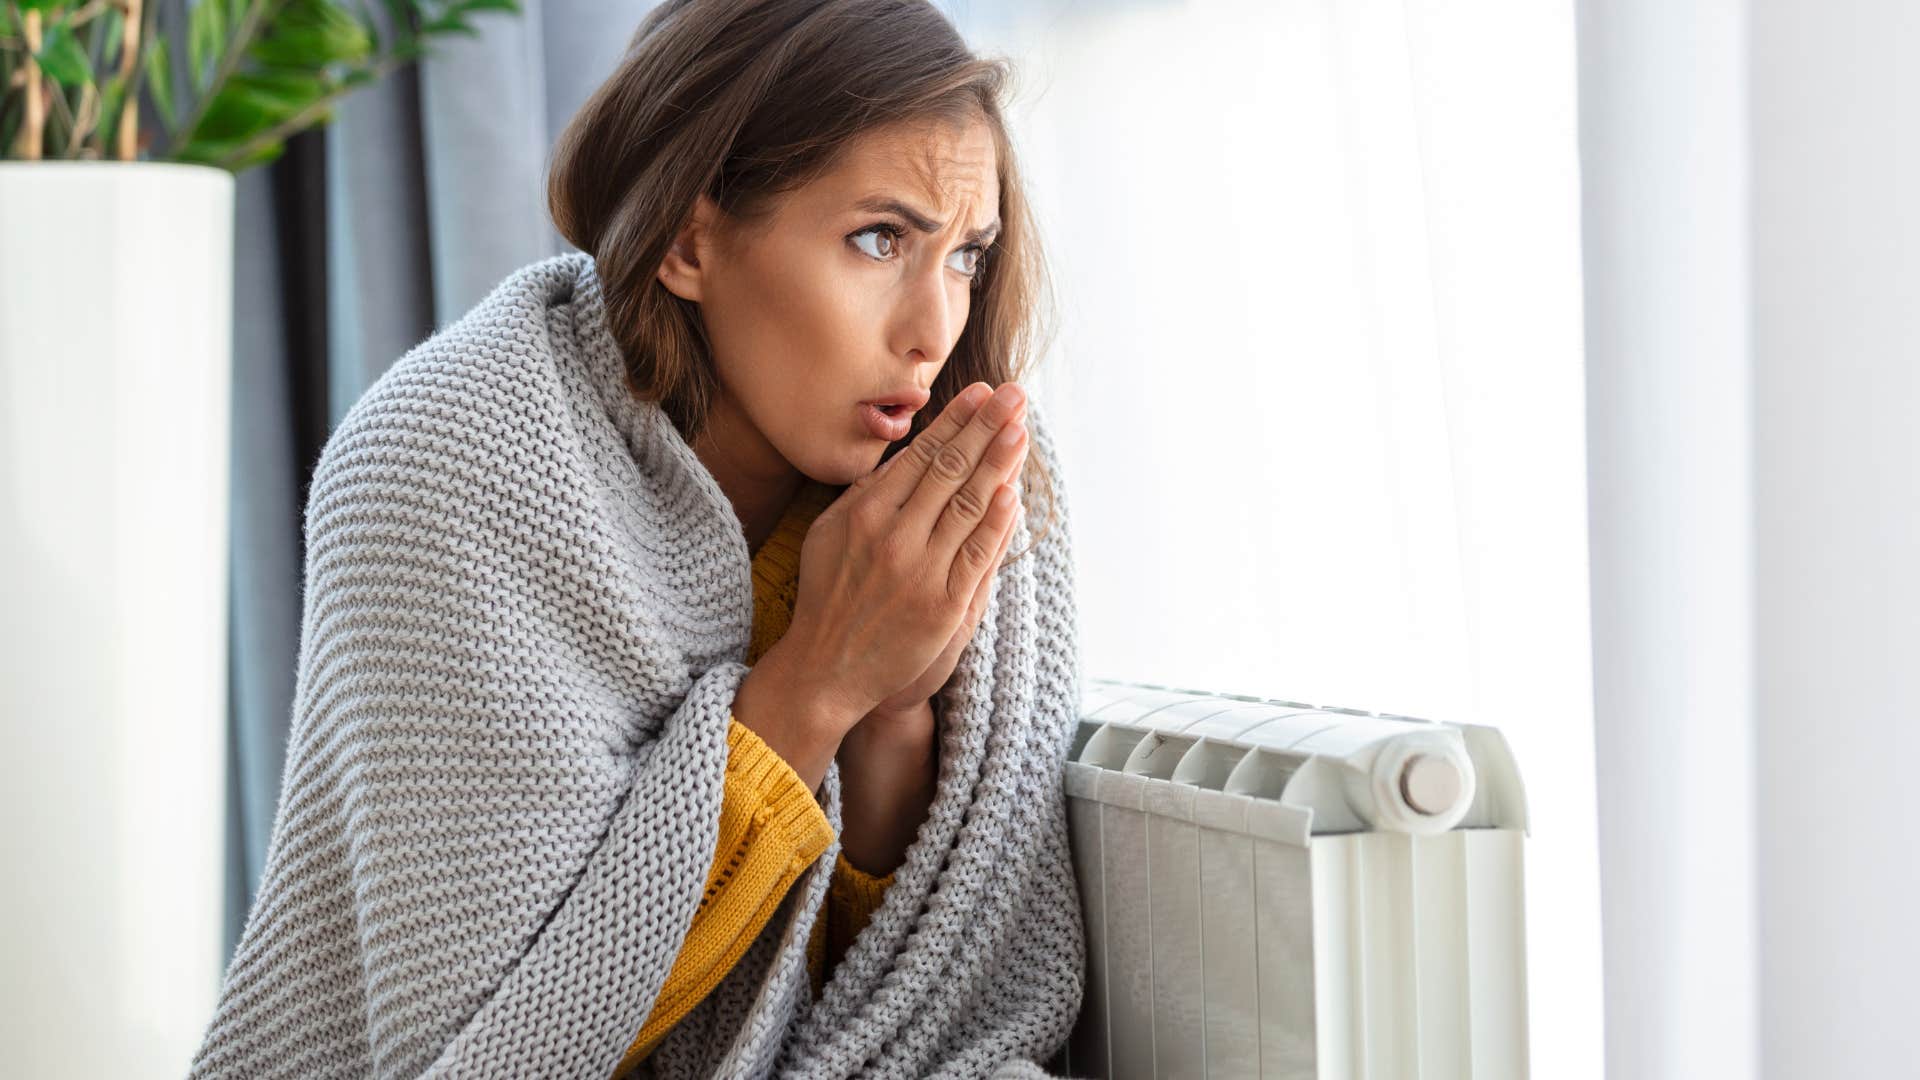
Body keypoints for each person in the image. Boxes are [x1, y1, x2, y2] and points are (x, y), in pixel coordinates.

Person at [188, 1, 1085, 1076]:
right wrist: (814, 685)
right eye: (878, 239)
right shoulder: (445, 459)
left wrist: (890, 713)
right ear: (688, 238)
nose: (933, 330)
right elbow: (502, 1045)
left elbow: (908, 1005)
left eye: (966, 256)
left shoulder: (952, 488)